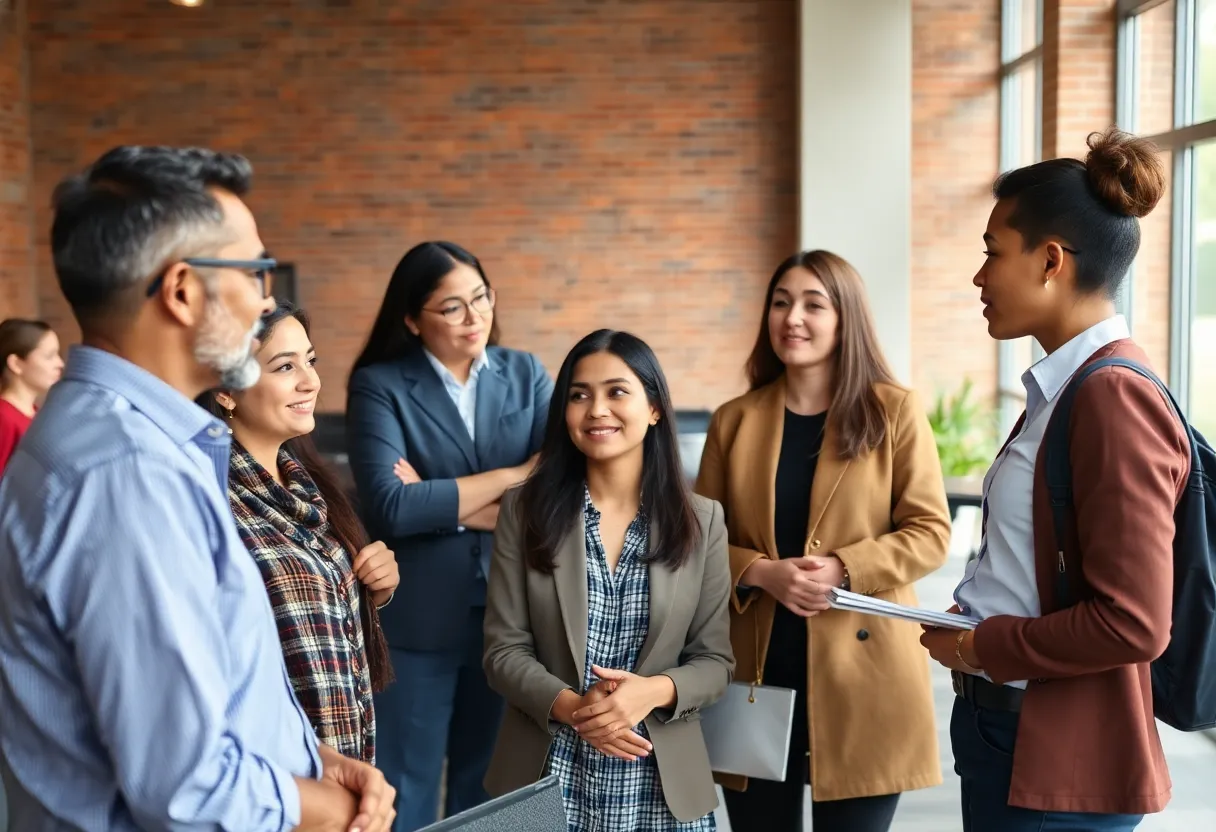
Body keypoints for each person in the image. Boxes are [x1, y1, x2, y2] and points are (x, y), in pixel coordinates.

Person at [0, 145, 395, 832]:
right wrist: (329, 810)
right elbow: (185, 789)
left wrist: (307, 758)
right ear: (183, 290)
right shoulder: (125, 474)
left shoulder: (125, 440)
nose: (266, 297)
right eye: (254, 270)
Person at [920, 129, 1188, 831]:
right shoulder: (1064, 390)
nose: (978, 277)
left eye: (990, 253)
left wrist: (984, 645)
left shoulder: (1110, 397)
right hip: (1011, 734)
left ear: (1049, 260)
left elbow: (1134, 622)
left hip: (1056, 752)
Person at [696, 250, 952, 832]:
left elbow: (931, 533)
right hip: (757, 671)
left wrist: (843, 566)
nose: (793, 318)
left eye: (815, 304)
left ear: (846, 319)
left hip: (864, 673)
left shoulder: (894, 411)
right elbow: (696, 540)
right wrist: (761, 571)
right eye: (781, 302)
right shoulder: (733, 420)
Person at [482, 328, 734, 831]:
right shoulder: (524, 508)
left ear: (655, 407)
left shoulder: (702, 521)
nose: (597, 409)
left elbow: (715, 663)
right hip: (545, 772)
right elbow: (502, 652)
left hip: (661, 786)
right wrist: (577, 709)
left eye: (617, 392)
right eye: (580, 395)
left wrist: (652, 692)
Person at [346, 241, 554, 830]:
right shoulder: (379, 386)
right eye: (453, 307)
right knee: (404, 786)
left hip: (510, 618)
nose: (475, 317)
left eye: (481, 298)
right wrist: (514, 475)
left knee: (489, 790)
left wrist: (437, 496)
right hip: (417, 622)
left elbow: (546, 502)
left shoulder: (526, 374)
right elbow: (391, 508)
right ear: (412, 319)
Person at [199, 300, 400, 765]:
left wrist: (377, 588)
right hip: (273, 776)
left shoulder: (310, 489)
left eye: (309, 360)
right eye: (284, 366)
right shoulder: (210, 502)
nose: (310, 381)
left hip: (346, 759)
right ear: (226, 391)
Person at [0, 318, 63, 472]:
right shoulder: (4, 418)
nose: (60, 363)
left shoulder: (36, 414)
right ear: (16, 363)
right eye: (49, 356)